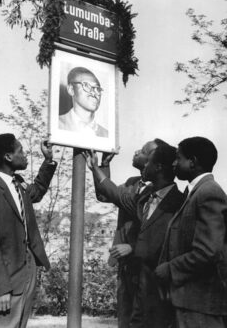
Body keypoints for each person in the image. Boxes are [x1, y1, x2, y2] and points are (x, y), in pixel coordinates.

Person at [86, 143, 184, 328]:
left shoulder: (176, 200)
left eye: (145, 153)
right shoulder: (142, 192)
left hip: (153, 274)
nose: (137, 151)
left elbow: (165, 236)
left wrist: (132, 247)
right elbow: (111, 194)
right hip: (129, 267)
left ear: (156, 164)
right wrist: (98, 168)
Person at [0, 133, 57, 328]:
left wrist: (48, 160)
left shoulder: (19, 184)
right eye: (20, 150)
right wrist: (0, 288)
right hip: (7, 275)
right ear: (8, 157)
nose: (25, 154)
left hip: (27, 268)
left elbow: (38, 190)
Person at [155, 136, 227, 328]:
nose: (174, 163)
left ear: (193, 162)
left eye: (178, 158)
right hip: (189, 304)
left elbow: (207, 251)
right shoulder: (196, 193)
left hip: (201, 307)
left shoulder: (209, 193)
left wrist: (169, 269)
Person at [59, 67, 108, 137]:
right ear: (71, 89)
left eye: (97, 89)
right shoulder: (57, 125)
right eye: (86, 86)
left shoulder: (106, 135)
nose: (94, 93)